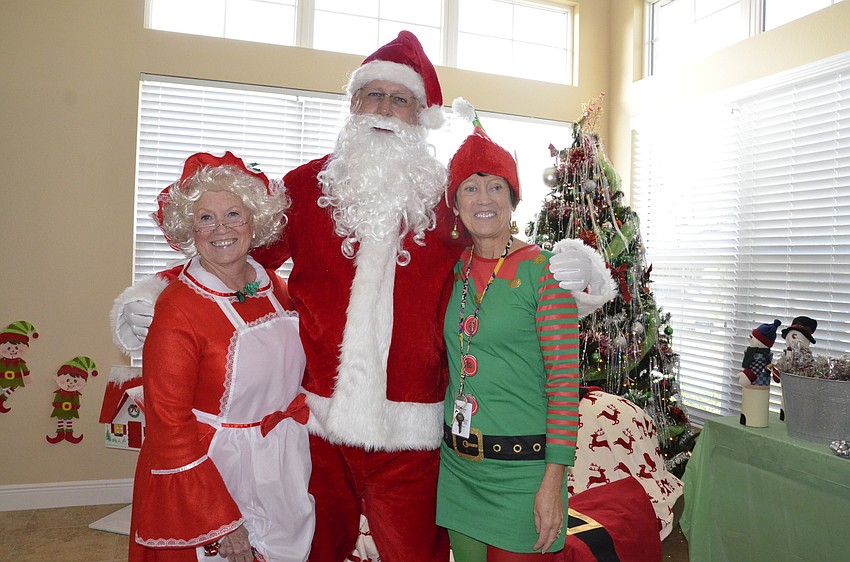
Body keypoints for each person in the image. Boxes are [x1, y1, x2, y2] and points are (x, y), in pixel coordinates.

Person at [111, 32, 613, 562]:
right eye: (373, 95)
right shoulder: (306, 187)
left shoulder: (448, 199)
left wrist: (573, 280)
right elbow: (236, 250)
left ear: (421, 116)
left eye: (401, 100)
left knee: (414, 553)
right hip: (317, 424)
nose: (385, 109)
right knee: (316, 548)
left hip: (412, 430)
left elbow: (501, 262)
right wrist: (158, 290)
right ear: (352, 105)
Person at [128, 151, 313, 562]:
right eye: (205, 219)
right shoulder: (178, 307)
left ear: (255, 221)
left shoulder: (276, 288)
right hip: (211, 473)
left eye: (233, 214)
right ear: (189, 229)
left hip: (280, 465)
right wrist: (220, 518)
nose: (221, 229)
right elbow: (169, 424)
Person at [437, 103, 587, 560]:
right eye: (471, 188)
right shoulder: (454, 270)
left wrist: (552, 482)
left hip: (523, 475)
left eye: (496, 186)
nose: (484, 199)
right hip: (458, 469)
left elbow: (564, 384)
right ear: (455, 203)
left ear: (513, 198)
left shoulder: (546, 273)